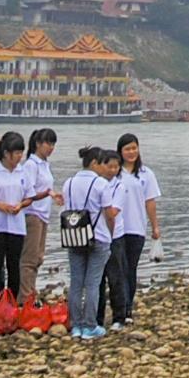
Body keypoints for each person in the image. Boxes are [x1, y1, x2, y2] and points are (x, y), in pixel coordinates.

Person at [59, 145, 121, 339]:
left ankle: (76, 325)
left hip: (74, 237)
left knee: (76, 283)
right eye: (102, 163)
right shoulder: (101, 184)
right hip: (98, 237)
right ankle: (90, 325)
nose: (105, 167)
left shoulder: (68, 183)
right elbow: (109, 214)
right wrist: (110, 236)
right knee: (93, 283)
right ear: (94, 163)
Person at [105, 133, 160, 328]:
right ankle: (119, 309)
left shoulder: (146, 173)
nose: (131, 152)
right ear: (120, 151)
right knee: (118, 270)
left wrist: (155, 227)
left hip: (136, 227)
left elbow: (150, 202)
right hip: (116, 229)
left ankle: (128, 309)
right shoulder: (114, 173)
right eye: (127, 149)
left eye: (134, 148)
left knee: (131, 269)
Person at [0, 132, 40, 302]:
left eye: (21, 152)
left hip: (16, 225)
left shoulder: (22, 172)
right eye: (17, 153)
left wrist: (21, 205)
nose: (20, 157)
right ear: (6, 153)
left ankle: (12, 304)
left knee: (14, 266)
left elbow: (29, 197)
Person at [16, 128, 59, 302]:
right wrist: (48, 193)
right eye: (48, 143)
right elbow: (29, 191)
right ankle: (25, 297)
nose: (51, 147)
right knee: (29, 258)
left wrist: (52, 194)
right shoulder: (31, 165)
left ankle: (30, 292)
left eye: (53, 144)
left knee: (39, 257)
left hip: (43, 213)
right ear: (38, 144)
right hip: (32, 213)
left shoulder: (44, 164)